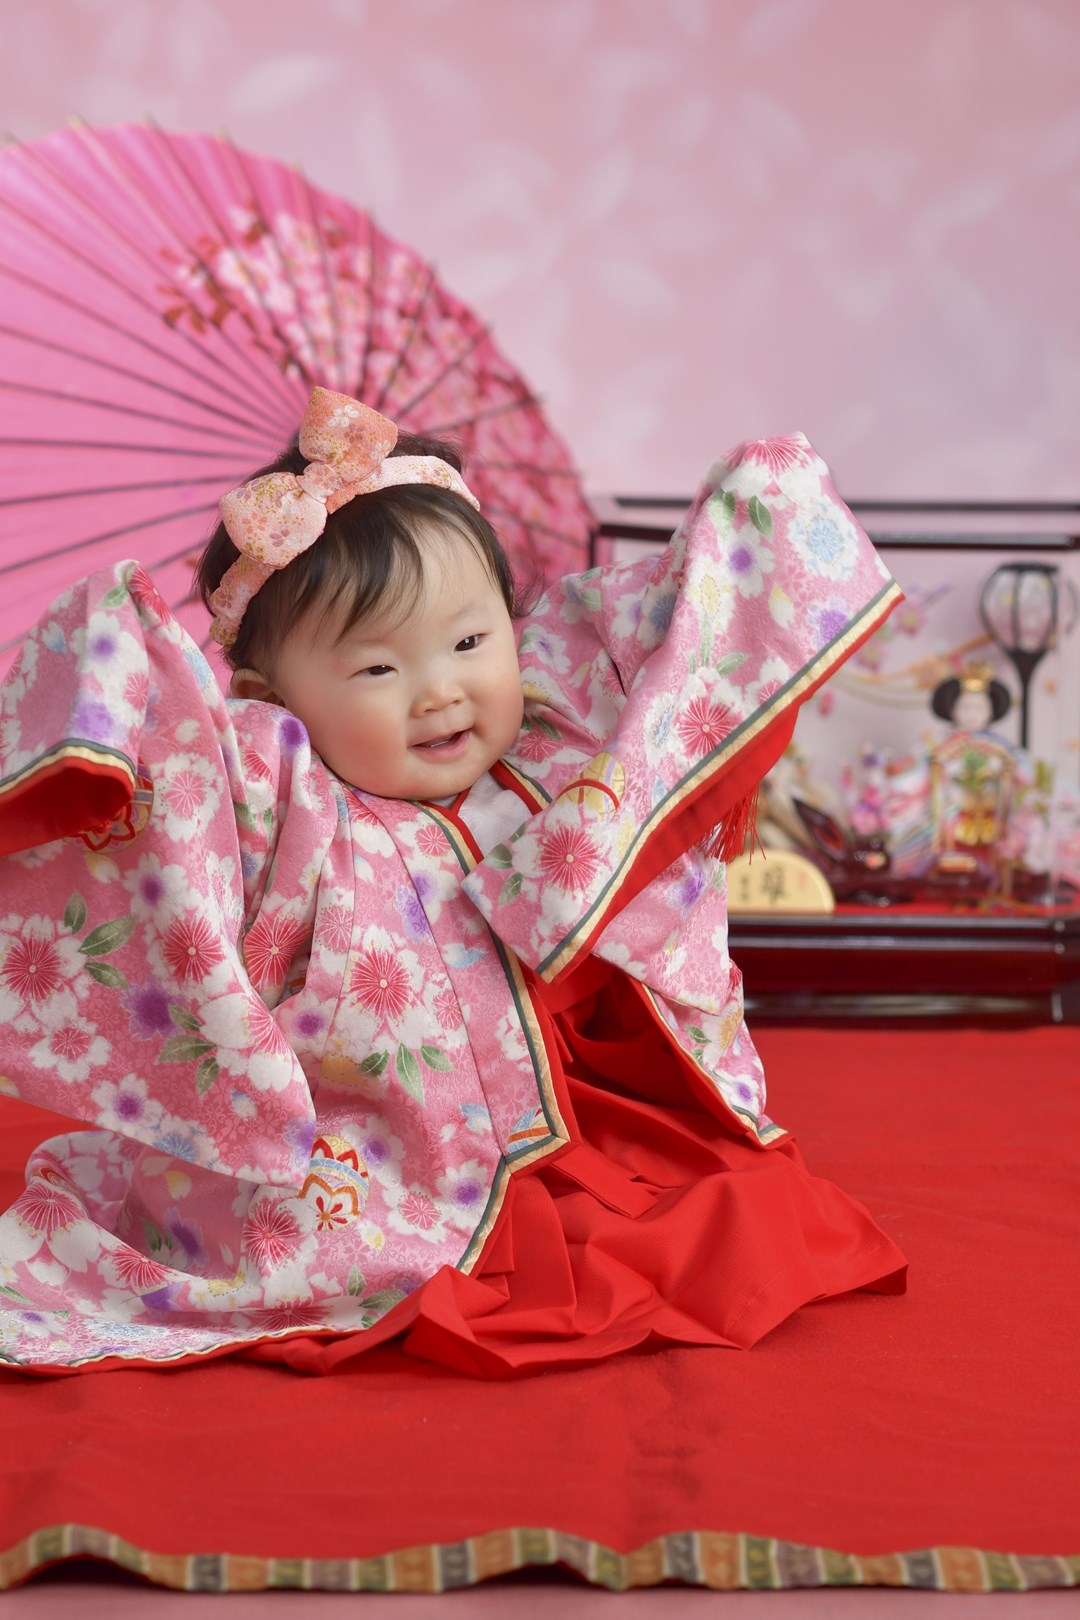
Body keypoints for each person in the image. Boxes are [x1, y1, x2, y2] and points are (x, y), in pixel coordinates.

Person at [0, 389, 906, 1375]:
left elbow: (715, 593)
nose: (441, 691)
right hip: (376, 1149)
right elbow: (171, 767)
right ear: (270, 699)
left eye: (471, 642)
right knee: (400, 1251)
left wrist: (763, 483)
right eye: (377, 669)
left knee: (736, 1208)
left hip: (574, 1118)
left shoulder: (558, 733)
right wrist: (126, 668)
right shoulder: (278, 796)